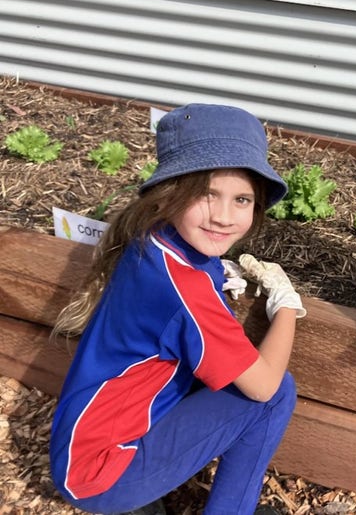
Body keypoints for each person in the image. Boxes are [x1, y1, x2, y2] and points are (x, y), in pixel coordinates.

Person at [49, 104, 306, 514]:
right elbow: (264, 387)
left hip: (81, 447)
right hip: (102, 475)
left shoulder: (150, 238)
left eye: (241, 199)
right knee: (276, 394)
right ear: (171, 194)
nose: (223, 217)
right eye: (207, 195)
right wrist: (287, 304)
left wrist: (215, 273)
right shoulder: (185, 291)